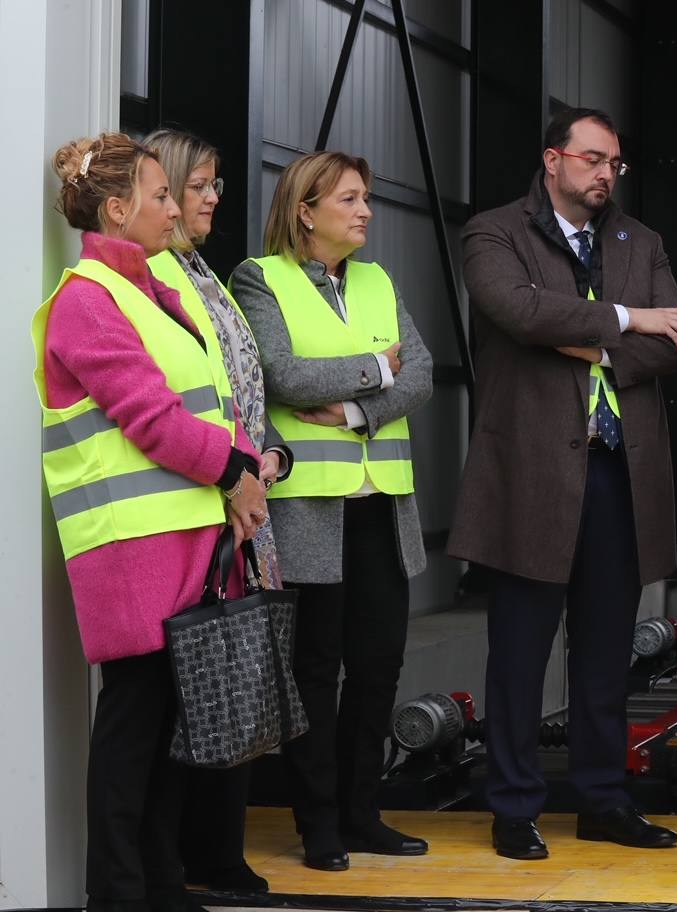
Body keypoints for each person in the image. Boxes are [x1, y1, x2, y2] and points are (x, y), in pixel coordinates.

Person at [448, 107, 677, 860]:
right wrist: (628, 318)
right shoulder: (493, 233)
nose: (604, 174)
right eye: (592, 160)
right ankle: (514, 806)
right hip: (530, 474)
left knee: (603, 653)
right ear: (552, 160)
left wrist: (587, 344)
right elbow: (517, 310)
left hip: (619, 473)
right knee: (519, 652)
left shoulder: (639, 241)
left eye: (614, 164)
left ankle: (601, 799)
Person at [36, 132, 267, 911]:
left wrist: (244, 472)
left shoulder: (150, 291)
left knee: (169, 730)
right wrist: (235, 469)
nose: (176, 206)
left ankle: (161, 885)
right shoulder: (86, 299)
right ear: (117, 208)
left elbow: (212, 400)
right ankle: (119, 893)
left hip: (186, 540)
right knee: (134, 730)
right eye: (161, 194)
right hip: (131, 550)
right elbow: (151, 416)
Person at [231, 151, 433, 872]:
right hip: (311, 510)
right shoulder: (261, 279)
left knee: (378, 666)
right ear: (306, 210)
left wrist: (349, 409)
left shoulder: (378, 279)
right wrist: (379, 370)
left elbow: (427, 372)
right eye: (350, 199)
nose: (366, 211)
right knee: (316, 669)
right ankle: (317, 822)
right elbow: (281, 374)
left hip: (382, 505)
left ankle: (362, 811)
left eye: (367, 198)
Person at [143, 128, 294, 894]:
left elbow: (238, 392)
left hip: (243, 501)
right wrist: (236, 470)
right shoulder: (158, 278)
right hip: (203, 510)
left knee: (230, 681)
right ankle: (187, 861)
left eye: (213, 185)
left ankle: (214, 853)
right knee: (193, 693)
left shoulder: (204, 272)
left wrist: (267, 459)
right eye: (196, 185)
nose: (211, 197)